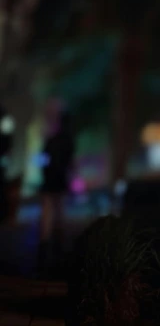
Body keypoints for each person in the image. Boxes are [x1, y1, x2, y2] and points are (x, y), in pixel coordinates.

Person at [38, 109, 75, 271]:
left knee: (48, 210)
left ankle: (45, 241)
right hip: (60, 180)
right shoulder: (69, 141)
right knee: (59, 210)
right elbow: (70, 162)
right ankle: (58, 241)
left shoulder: (51, 140)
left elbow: (42, 159)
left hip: (49, 179)